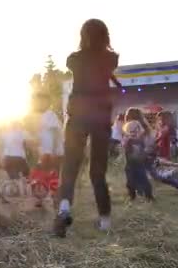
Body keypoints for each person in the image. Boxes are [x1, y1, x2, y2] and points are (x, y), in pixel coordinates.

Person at [54, 19, 122, 237]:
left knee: (70, 166)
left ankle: (64, 207)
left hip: (78, 116)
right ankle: (104, 220)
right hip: (101, 117)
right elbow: (103, 67)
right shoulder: (111, 59)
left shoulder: (73, 59)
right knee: (98, 171)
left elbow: (83, 66)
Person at [122, 120, 153, 201]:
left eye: (136, 131)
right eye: (131, 131)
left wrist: (145, 153)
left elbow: (144, 151)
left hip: (140, 165)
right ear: (128, 132)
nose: (134, 133)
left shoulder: (141, 140)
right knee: (130, 183)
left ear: (139, 131)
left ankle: (149, 196)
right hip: (130, 166)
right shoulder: (128, 141)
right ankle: (132, 196)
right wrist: (126, 142)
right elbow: (126, 150)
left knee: (145, 181)